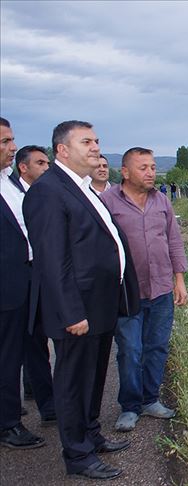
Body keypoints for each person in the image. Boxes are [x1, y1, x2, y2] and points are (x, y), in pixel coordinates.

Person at [23, 120, 139, 480]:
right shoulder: (49, 192)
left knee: (94, 377)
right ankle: (77, 454)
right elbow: (52, 261)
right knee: (73, 382)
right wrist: (71, 311)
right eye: (86, 141)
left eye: (97, 140)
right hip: (79, 310)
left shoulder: (84, 188)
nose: (95, 147)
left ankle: (91, 435)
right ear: (62, 150)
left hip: (101, 304)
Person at [101, 147, 188, 433]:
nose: (150, 172)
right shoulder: (107, 202)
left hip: (161, 288)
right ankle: (129, 406)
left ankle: (150, 399)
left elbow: (173, 241)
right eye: (143, 167)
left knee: (157, 347)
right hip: (126, 291)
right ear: (125, 172)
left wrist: (179, 280)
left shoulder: (162, 200)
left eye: (152, 167)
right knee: (130, 349)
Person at [0, 117, 46, 450]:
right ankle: (7, 425)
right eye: (4, 141)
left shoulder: (10, 184)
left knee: (19, 352)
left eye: (11, 140)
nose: (12, 147)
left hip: (24, 279)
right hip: (6, 286)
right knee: (6, 357)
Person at [13, 145, 57, 425]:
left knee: (39, 336)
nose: (46, 167)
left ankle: (47, 401)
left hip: (42, 272)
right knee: (25, 339)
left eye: (47, 162)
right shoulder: (13, 195)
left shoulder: (47, 195)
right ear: (24, 168)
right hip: (21, 274)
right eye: (40, 163)